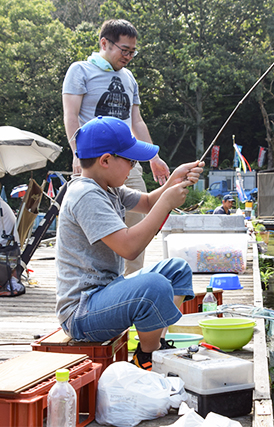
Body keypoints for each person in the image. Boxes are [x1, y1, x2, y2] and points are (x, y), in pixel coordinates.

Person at [55, 116, 203, 371]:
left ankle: (154, 340)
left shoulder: (107, 186)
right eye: (131, 161)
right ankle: (148, 356)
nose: (135, 167)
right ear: (105, 160)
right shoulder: (86, 195)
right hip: (82, 312)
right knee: (154, 286)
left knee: (177, 270)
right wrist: (167, 202)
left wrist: (174, 180)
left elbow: (146, 202)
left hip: (107, 294)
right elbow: (129, 247)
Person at [63, 19, 171, 276]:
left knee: (138, 214)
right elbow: (71, 116)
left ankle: (133, 279)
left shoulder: (129, 77)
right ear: (104, 43)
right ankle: (97, 280)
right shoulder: (81, 71)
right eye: (125, 50)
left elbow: (137, 121)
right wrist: (77, 153)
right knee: (96, 219)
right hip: (93, 160)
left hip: (127, 158)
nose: (129, 56)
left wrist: (153, 157)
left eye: (133, 51)